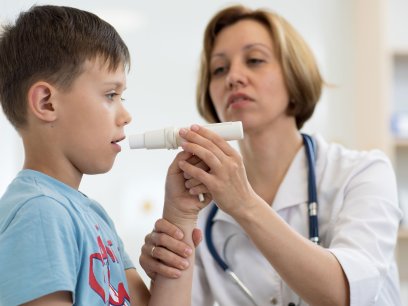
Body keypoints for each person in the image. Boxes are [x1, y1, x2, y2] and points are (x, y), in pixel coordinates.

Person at [139, 5, 403, 306]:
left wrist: (245, 205)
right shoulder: (204, 215)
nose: (234, 77)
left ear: (294, 77)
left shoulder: (361, 173)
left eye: (254, 60)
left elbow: (344, 294)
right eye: (219, 69)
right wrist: (168, 270)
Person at [0, 5, 206, 306]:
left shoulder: (92, 215)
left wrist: (181, 214)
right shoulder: (40, 213)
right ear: (46, 103)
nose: (126, 115)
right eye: (111, 95)